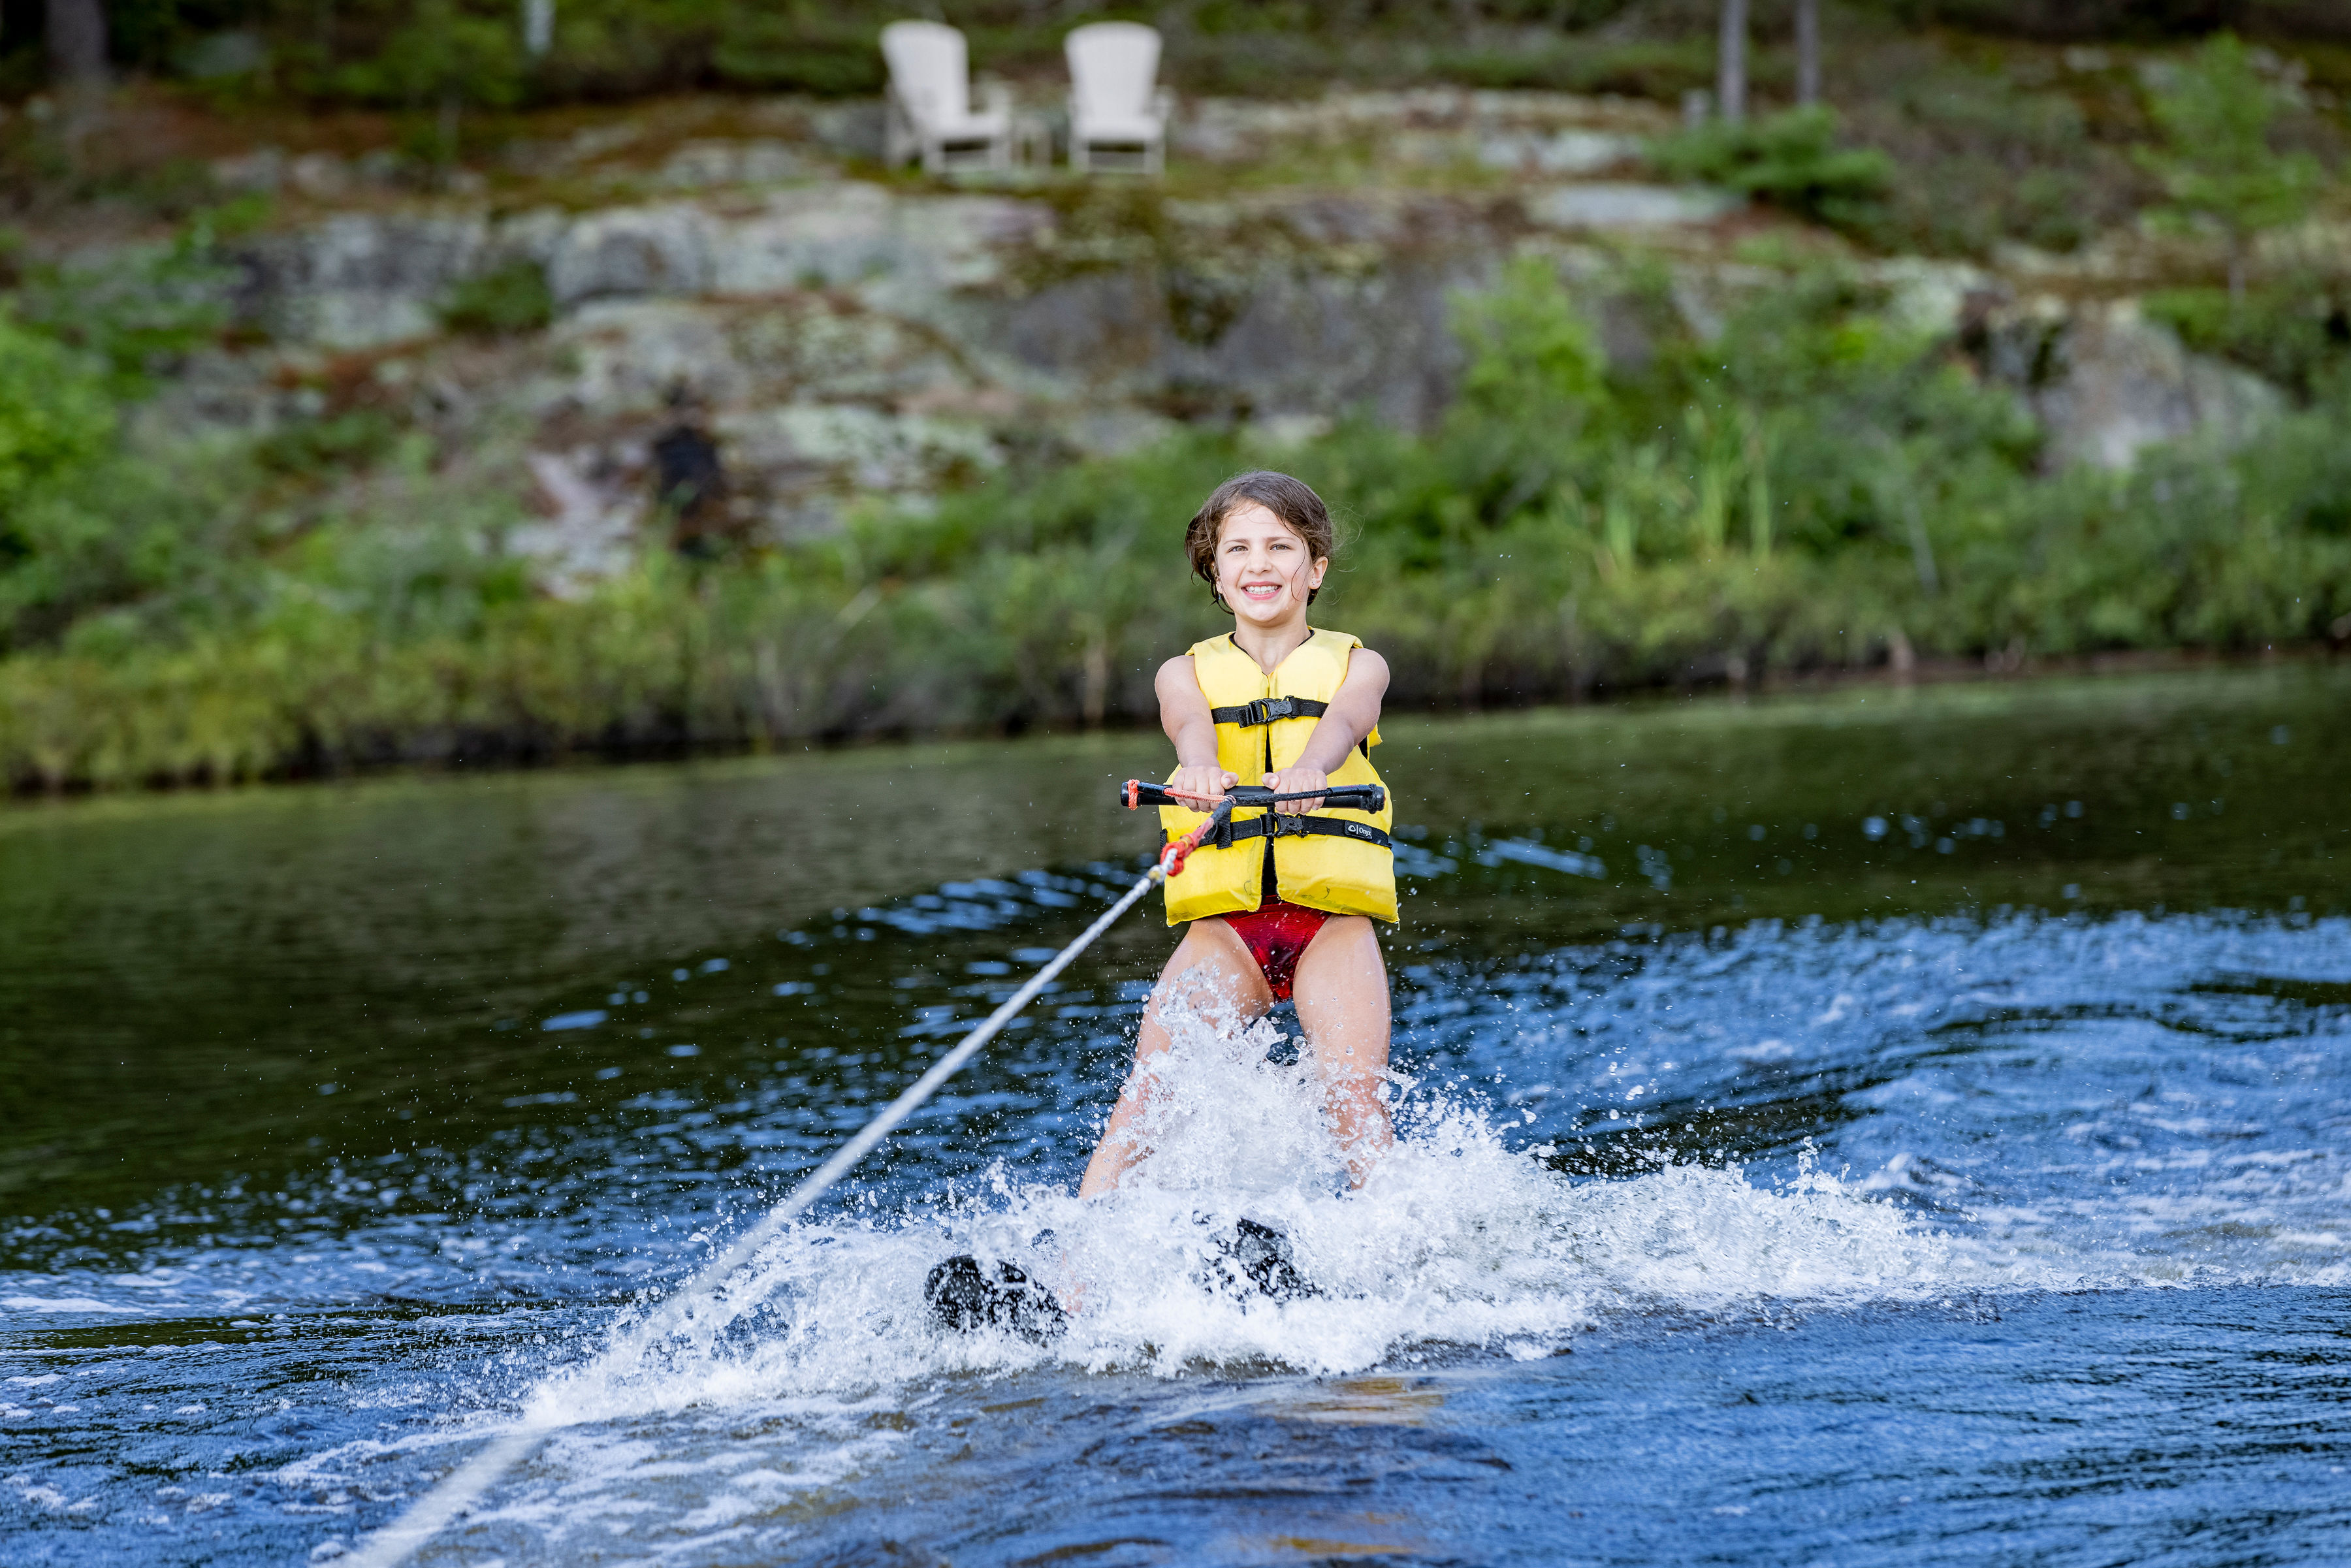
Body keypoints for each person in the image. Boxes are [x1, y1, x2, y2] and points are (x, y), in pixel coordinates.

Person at [1078, 470, 1398, 1199]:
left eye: (1281, 547)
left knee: (1353, 1103)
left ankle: (1399, 1267)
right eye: (1239, 550)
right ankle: (1074, 1282)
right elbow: (1189, 723)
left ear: (1315, 569)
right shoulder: (1181, 672)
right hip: (1228, 935)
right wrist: (1196, 765)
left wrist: (1312, 768)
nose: (1260, 564)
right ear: (1216, 576)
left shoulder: (1360, 663)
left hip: (1332, 929)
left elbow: (1346, 719)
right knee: (1143, 1108)